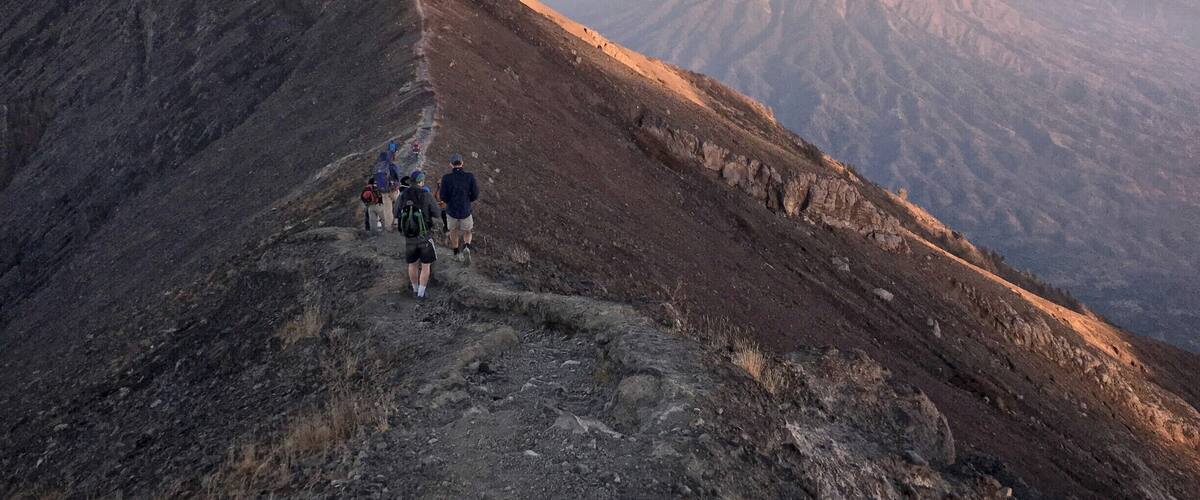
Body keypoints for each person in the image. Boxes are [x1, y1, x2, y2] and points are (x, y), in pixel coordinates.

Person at [395, 171, 442, 299]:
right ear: (421, 182)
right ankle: (421, 294)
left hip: (409, 237)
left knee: (412, 264)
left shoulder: (403, 195)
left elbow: (395, 213)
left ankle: (415, 290)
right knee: (426, 265)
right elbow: (437, 213)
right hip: (425, 236)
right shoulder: (426, 195)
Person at [438, 153, 480, 263]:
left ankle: (456, 252)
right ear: (462, 163)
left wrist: (449, 202)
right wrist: (468, 200)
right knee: (468, 231)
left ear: (451, 165)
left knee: (453, 231)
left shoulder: (446, 178)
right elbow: (475, 194)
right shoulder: (469, 176)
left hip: (452, 211)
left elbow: (442, 196)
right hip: (465, 210)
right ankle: (466, 247)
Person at [371, 152, 403, 231]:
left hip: (383, 191)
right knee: (399, 203)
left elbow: (375, 180)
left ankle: (388, 227)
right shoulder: (391, 165)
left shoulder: (377, 167)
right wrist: (398, 183)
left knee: (387, 209)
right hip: (393, 189)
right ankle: (397, 222)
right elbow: (397, 175)